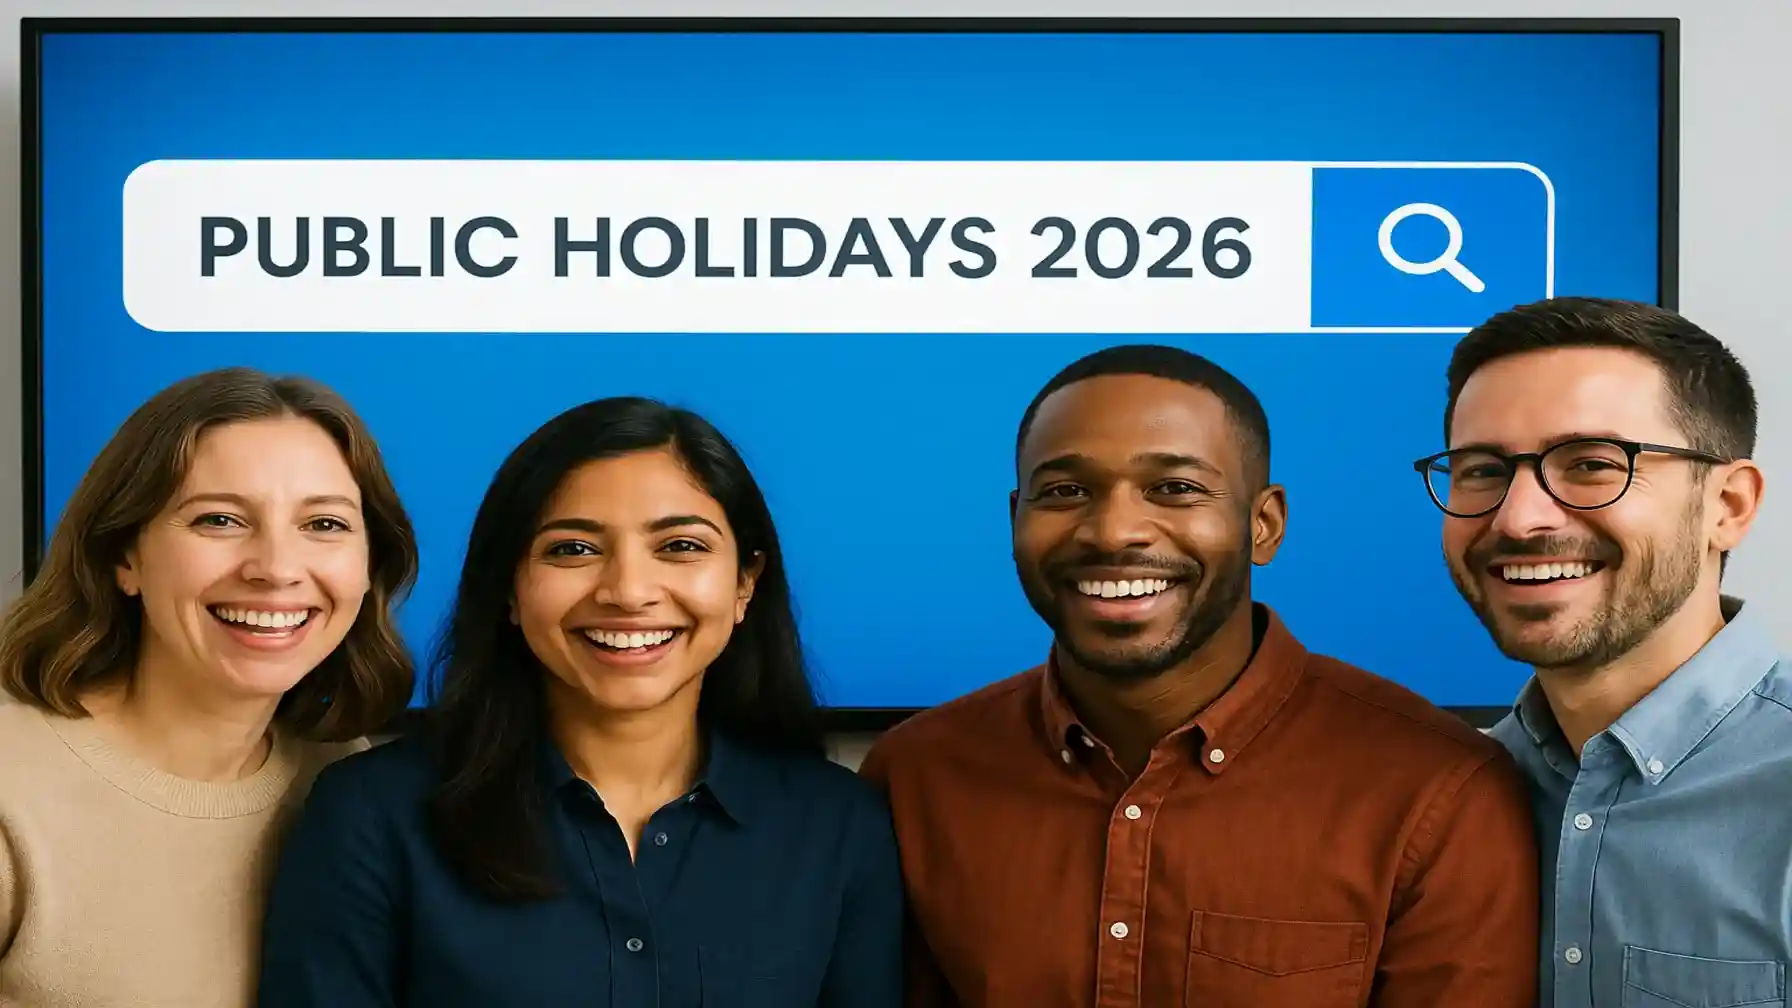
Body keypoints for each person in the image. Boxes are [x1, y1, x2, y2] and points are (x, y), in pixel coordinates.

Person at [859, 344, 1540, 1007]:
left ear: (1264, 525)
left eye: (1175, 488)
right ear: (1016, 521)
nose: (1114, 531)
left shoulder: (1437, 793)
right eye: (1065, 491)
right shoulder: (916, 778)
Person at [256, 395, 903, 1007]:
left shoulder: (840, 826)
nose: (628, 590)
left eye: (680, 546)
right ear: (509, 589)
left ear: (744, 584)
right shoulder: (372, 816)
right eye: (573, 549)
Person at [0, 366, 418, 1007]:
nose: (276, 569)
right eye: (219, 520)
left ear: (369, 568)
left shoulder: (346, 783)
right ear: (124, 557)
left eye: (324, 525)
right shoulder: (13, 784)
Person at [1415, 296, 1787, 1008]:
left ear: (1729, 506)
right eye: (1483, 471)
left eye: (1590, 464)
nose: (1519, 519)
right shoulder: (1440, 798)